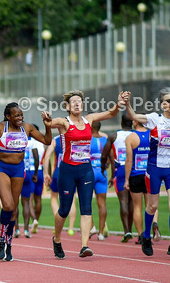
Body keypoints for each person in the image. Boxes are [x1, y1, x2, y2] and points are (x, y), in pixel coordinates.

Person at [43, 90, 121, 259]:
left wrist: (119, 103)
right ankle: (56, 239)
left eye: (80, 101)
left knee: (86, 208)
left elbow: (110, 113)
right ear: (68, 106)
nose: (77, 104)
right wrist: (47, 118)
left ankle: (84, 245)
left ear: (83, 104)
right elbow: (50, 123)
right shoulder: (64, 123)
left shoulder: (89, 120)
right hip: (67, 171)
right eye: (74, 102)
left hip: (86, 170)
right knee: (64, 209)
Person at [122, 87, 170, 257]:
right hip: (154, 168)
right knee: (153, 205)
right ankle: (146, 237)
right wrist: (127, 103)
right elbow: (134, 117)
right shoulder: (154, 119)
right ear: (162, 104)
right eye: (168, 101)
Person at [0, 103, 52, 261]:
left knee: (13, 208)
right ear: (8, 116)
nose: (20, 118)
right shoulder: (0, 127)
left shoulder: (27, 128)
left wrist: (48, 126)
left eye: (21, 115)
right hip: (0, 167)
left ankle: (9, 244)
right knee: (7, 204)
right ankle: (1, 239)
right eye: (16, 115)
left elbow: (47, 140)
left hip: (18, 169)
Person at [102, 115, 134, 242]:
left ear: (121, 122)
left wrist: (103, 168)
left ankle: (126, 231)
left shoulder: (113, 136)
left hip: (120, 169)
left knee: (123, 201)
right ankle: (133, 230)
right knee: (133, 202)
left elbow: (104, 154)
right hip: (135, 170)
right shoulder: (136, 135)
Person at [123, 116, 152, 245]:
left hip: (136, 175)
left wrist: (126, 179)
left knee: (137, 207)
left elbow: (129, 160)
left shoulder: (131, 138)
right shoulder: (152, 135)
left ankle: (141, 235)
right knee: (149, 206)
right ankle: (148, 234)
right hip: (150, 175)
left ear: (135, 121)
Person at [19, 133, 44, 237]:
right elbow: (39, 158)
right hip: (35, 172)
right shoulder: (37, 143)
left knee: (20, 201)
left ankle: (17, 229)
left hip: (20, 172)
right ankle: (28, 227)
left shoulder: (17, 139)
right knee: (34, 200)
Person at [89, 121, 110, 240]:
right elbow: (109, 157)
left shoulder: (87, 139)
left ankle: (91, 226)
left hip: (89, 172)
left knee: (86, 201)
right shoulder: (105, 139)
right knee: (102, 203)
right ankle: (101, 233)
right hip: (102, 173)